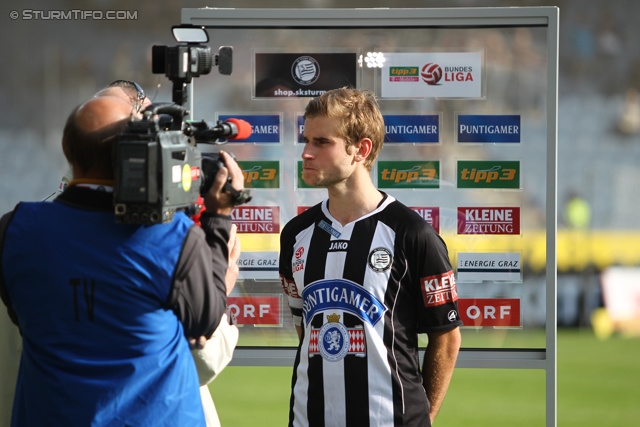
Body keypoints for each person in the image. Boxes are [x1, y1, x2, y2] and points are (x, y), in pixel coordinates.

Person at [0, 95, 245, 426]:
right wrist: (219, 220)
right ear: (135, 153)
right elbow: (205, 320)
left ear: (65, 146)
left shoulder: (14, 229)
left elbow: (21, 311)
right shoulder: (172, 238)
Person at [279, 87, 462, 426]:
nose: (306, 153)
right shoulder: (295, 234)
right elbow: (304, 329)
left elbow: (447, 338)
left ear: (360, 149)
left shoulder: (413, 234)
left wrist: (422, 418)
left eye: (322, 143)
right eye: (306, 140)